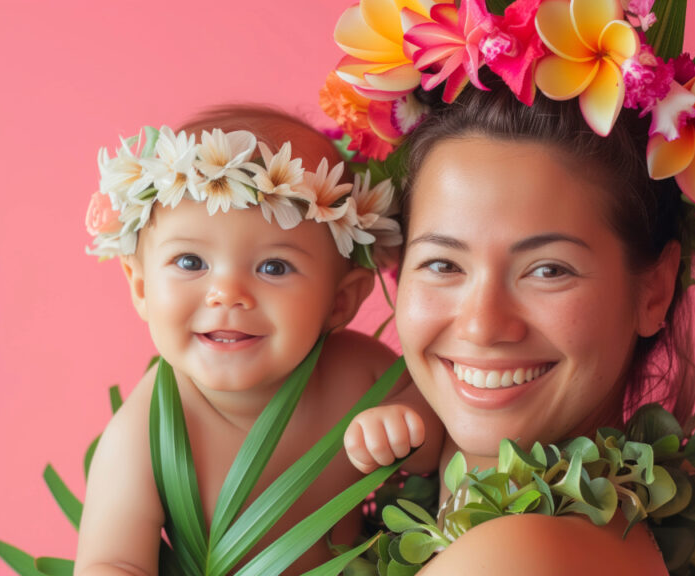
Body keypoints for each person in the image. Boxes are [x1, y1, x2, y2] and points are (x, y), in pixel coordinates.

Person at [329, 0, 695, 573]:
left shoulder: (517, 557)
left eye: (548, 270)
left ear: (653, 292)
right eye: (443, 264)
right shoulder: (594, 538)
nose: (482, 325)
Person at [74, 105, 443, 576]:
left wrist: (408, 424)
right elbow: (112, 562)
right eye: (190, 262)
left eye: (274, 267)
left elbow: (444, 442)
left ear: (340, 302)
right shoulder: (147, 430)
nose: (227, 294)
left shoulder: (358, 372)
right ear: (141, 287)